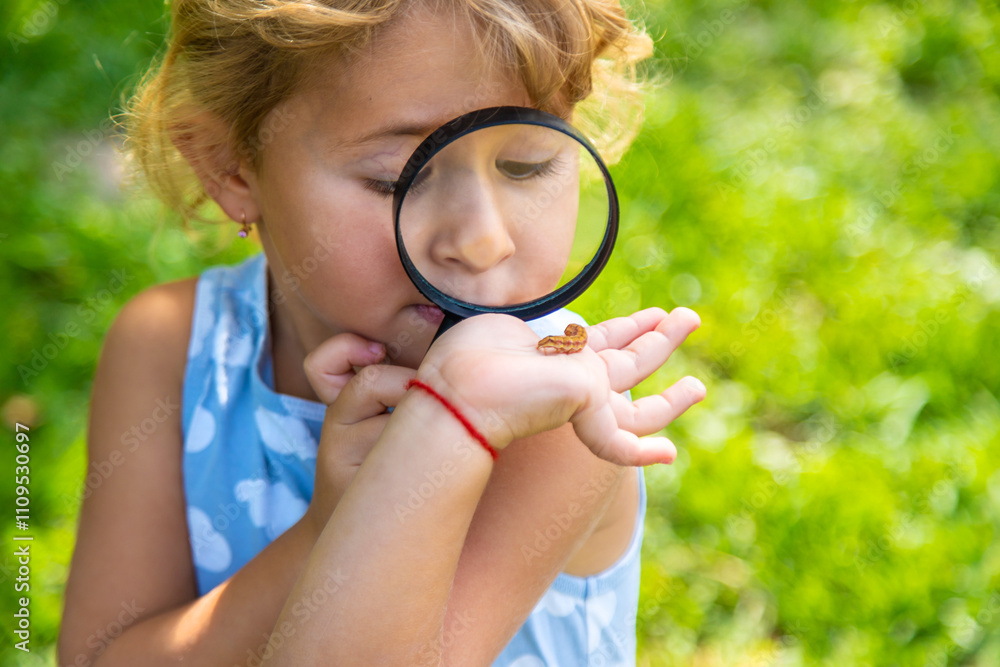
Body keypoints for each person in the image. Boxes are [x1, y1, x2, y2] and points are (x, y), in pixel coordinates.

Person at [58, 1, 707, 665]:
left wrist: (450, 424)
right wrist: (327, 529)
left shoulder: (555, 412)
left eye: (525, 165)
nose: (484, 239)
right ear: (231, 168)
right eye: (398, 177)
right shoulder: (173, 349)